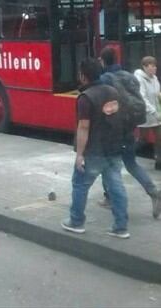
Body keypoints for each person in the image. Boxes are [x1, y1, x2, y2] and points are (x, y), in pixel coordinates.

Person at [62, 58, 131, 238]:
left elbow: (83, 127)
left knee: (80, 184)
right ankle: (121, 227)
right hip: (114, 148)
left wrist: (79, 155)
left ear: (83, 77)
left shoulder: (86, 98)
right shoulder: (113, 91)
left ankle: (76, 222)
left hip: (94, 151)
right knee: (116, 187)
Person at [99, 48, 161, 219]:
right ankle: (154, 191)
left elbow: (103, 104)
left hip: (113, 130)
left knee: (109, 165)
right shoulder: (129, 76)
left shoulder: (105, 78)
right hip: (129, 127)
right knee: (131, 164)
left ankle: (111, 198)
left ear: (103, 61)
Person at [135, 56, 161, 171]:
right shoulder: (140, 79)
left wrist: (160, 96)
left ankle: (159, 162)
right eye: (152, 66)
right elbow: (142, 97)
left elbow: (156, 93)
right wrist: (153, 111)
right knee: (142, 140)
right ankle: (127, 155)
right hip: (146, 115)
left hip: (156, 115)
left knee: (160, 137)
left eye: (155, 66)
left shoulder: (155, 78)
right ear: (144, 67)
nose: (154, 68)